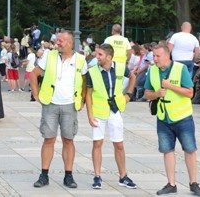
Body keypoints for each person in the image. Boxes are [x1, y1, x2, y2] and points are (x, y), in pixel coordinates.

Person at [145, 44, 200, 197]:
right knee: (167, 151)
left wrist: (170, 86)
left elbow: (190, 92)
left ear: (167, 55)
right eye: (154, 56)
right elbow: (147, 93)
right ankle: (171, 184)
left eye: (158, 56)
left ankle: (193, 183)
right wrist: (157, 93)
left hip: (182, 117)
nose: (155, 59)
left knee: (190, 150)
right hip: (163, 117)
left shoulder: (180, 69)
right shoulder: (152, 70)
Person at [30, 31, 87, 189]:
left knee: (68, 139)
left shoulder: (80, 60)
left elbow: (84, 81)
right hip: (51, 103)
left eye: (61, 40)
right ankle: (44, 175)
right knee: (49, 139)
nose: (57, 42)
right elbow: (34, 74)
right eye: (57, 40)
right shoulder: (49, 56)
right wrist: (36, 94)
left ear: (69, 43)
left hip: (70, 105)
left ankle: (68, 176)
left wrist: (82, 99)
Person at [85, 43, 137, 190]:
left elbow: (132, 77)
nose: (96, 56)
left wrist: (129, 95)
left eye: (100, 54)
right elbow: (88, 94)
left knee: (119, 144)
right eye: (96, 53)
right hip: (99, 112)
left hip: (115, 110)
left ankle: (123, 176)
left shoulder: (120, 67)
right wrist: (89, 114)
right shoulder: (92, 72)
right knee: (97, 144)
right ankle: (97, 176)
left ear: (109, 57)